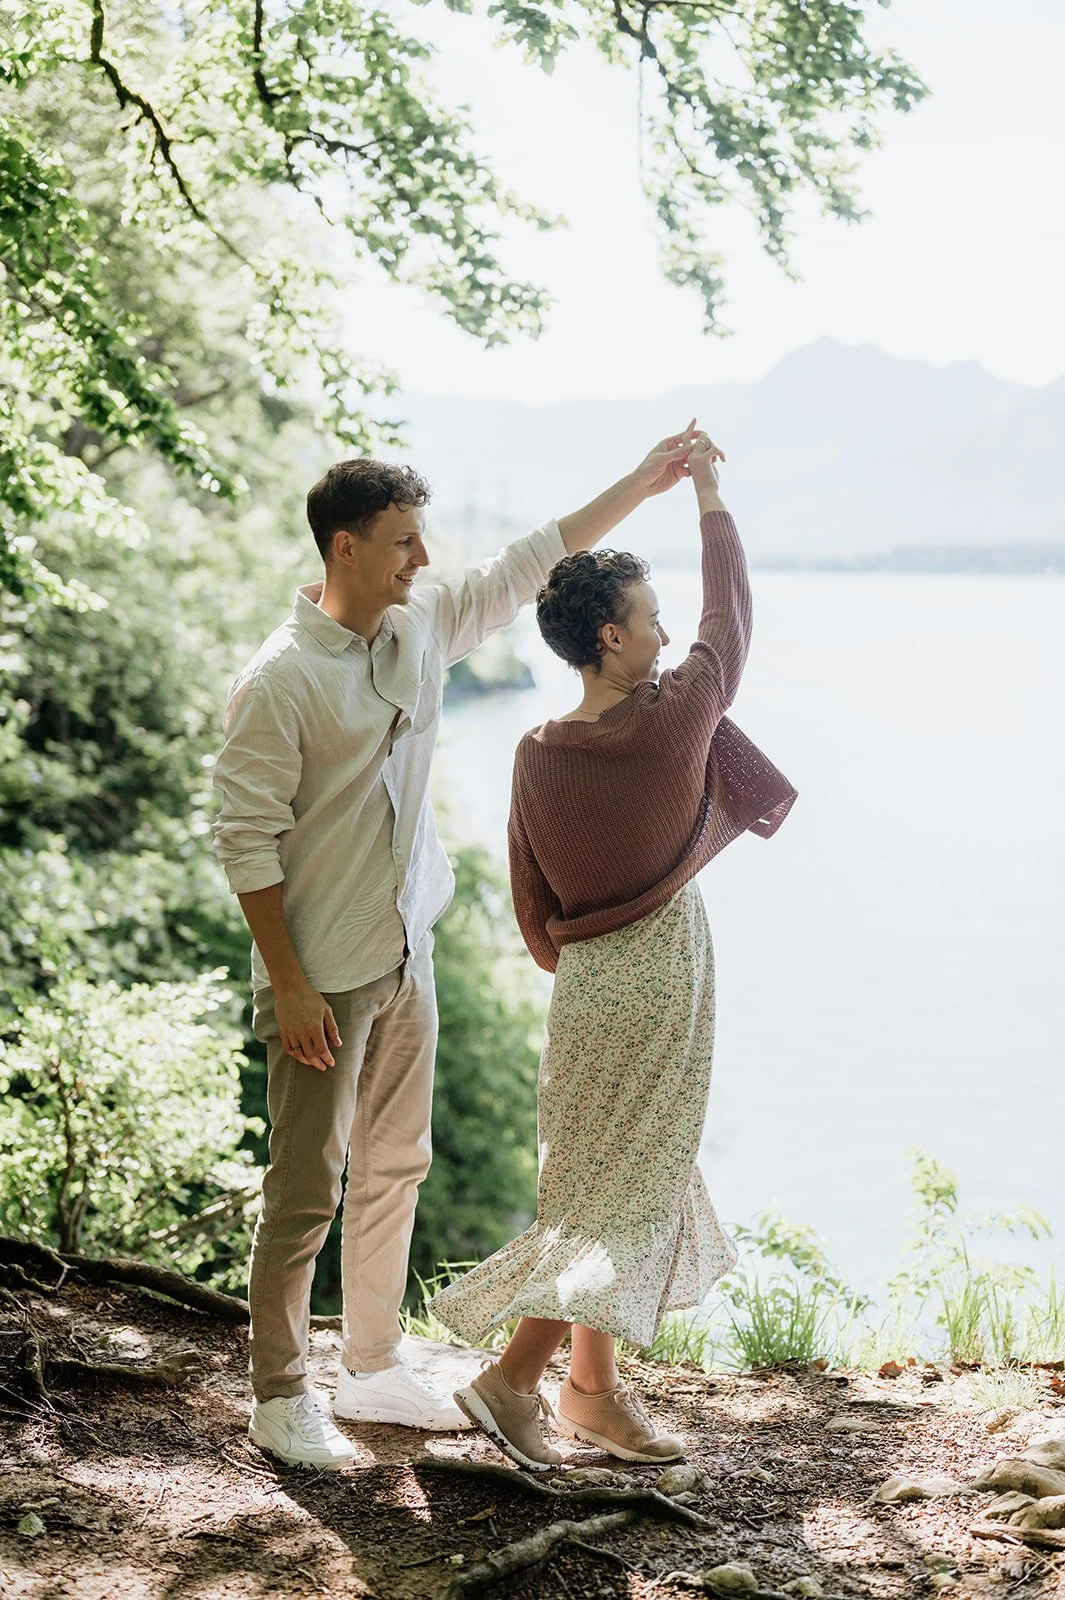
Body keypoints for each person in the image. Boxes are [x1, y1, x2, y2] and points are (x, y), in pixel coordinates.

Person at [211, 434, 701, 1469]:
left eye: (422, 539)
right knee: (304, 1188)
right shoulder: (280, 679)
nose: (422, 558)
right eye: (402, 542)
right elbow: (244, 838)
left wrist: (644, 482)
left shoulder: (421, 624)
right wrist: (289, 984)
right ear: (345, 548)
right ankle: (279, 1392)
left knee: (396, 1164)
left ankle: (371, 1365)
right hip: (320, 972)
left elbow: (530, 560)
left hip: (407, 947)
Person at [430, 430, 797, 1469]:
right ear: (610, 635)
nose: (669, 635)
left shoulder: (534, 752)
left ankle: (590, 1392)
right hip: (659, 970)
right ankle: (512, 1381)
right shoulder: (673, 720)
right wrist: (708, 492)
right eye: (651, 620)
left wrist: (589, 954)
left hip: (585, 983)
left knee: (601, 1180)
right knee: (624, 1193)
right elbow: (732, 620)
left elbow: (532, 904)